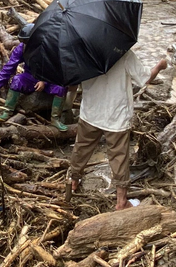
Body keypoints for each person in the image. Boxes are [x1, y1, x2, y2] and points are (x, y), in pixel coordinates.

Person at [67, 51, 167, 211]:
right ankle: (121, 202)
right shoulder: (123, 53)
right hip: (116, 115)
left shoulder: (84, 52)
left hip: (90, 112)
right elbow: (145, 78)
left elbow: (72, 85)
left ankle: (72, 183)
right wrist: (160, 66)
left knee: (82, 148)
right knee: (119, 156)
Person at [0, 23, 68, 129]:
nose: (24, 44)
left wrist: (44, 81)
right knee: (17, 80)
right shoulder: (22, 48)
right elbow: (10, 66)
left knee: (61, 87)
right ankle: (7, 111)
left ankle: (55, 119)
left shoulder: (50, 47)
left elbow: (55, 68)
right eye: (23, 41)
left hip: (50, 78)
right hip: (30, 77)